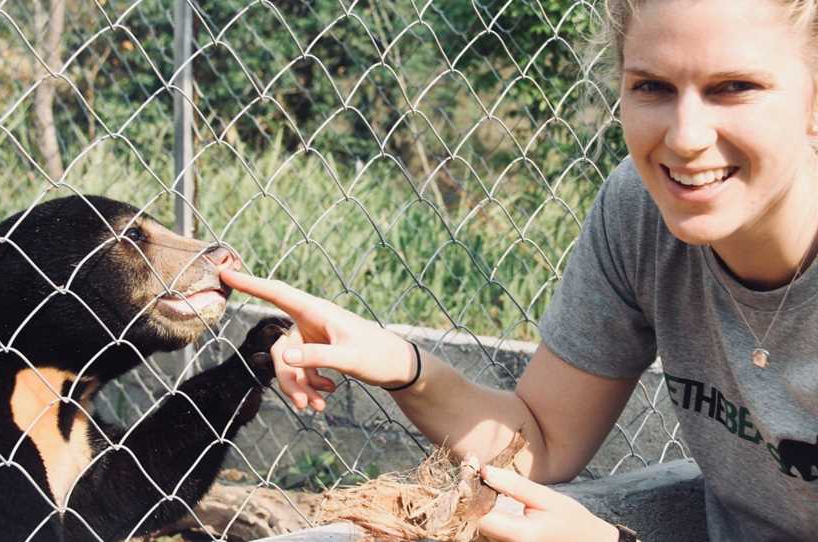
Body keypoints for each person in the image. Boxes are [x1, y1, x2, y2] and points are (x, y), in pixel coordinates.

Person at [221, 0, 818, 539]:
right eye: (653, 86)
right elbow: (543, 438)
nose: (686, 138)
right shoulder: (640, 215)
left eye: (735, 87)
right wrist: (402, 366)